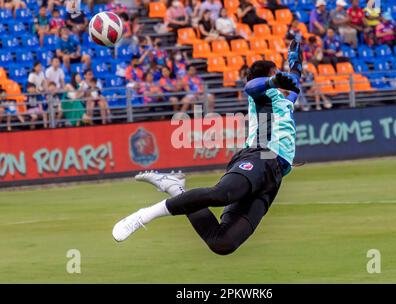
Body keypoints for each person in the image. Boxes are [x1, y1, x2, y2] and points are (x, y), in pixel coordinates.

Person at [112, 40, 303, 256]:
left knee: (222, 243)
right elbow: (250, 86)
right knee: (221, 194)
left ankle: (175, 187)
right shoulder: (261, 94)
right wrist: (271, 81)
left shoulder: (283, 100)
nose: (280, 79)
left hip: (273, 176)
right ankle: (144, 215)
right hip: (261, 155)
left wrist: (295, 65)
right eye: (274, 75)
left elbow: (294, 83)